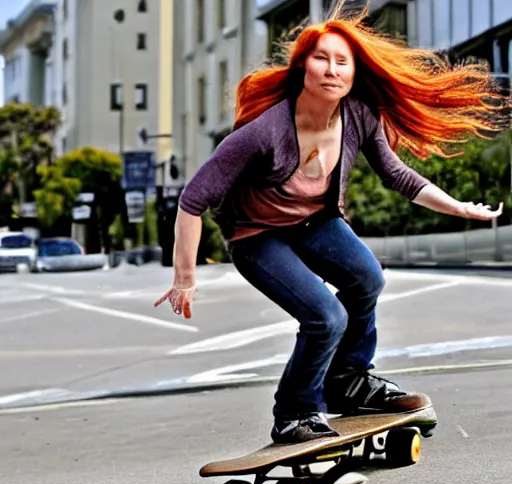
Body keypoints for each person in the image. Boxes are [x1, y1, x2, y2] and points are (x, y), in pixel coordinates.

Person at [155, 2, 506, 444]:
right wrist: (184, 277)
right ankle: (295, 412)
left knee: (367, 280)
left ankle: (350, 381)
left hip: (314, 222)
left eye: (343, 62)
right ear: (303, 65)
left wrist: (460, 208)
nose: (332, 70)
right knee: (326, 317)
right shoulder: (264, 132)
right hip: (259, 238)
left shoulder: (358, 115)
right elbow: (192, 199)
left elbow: (397, 175)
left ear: (354, 73)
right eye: (321, 58)